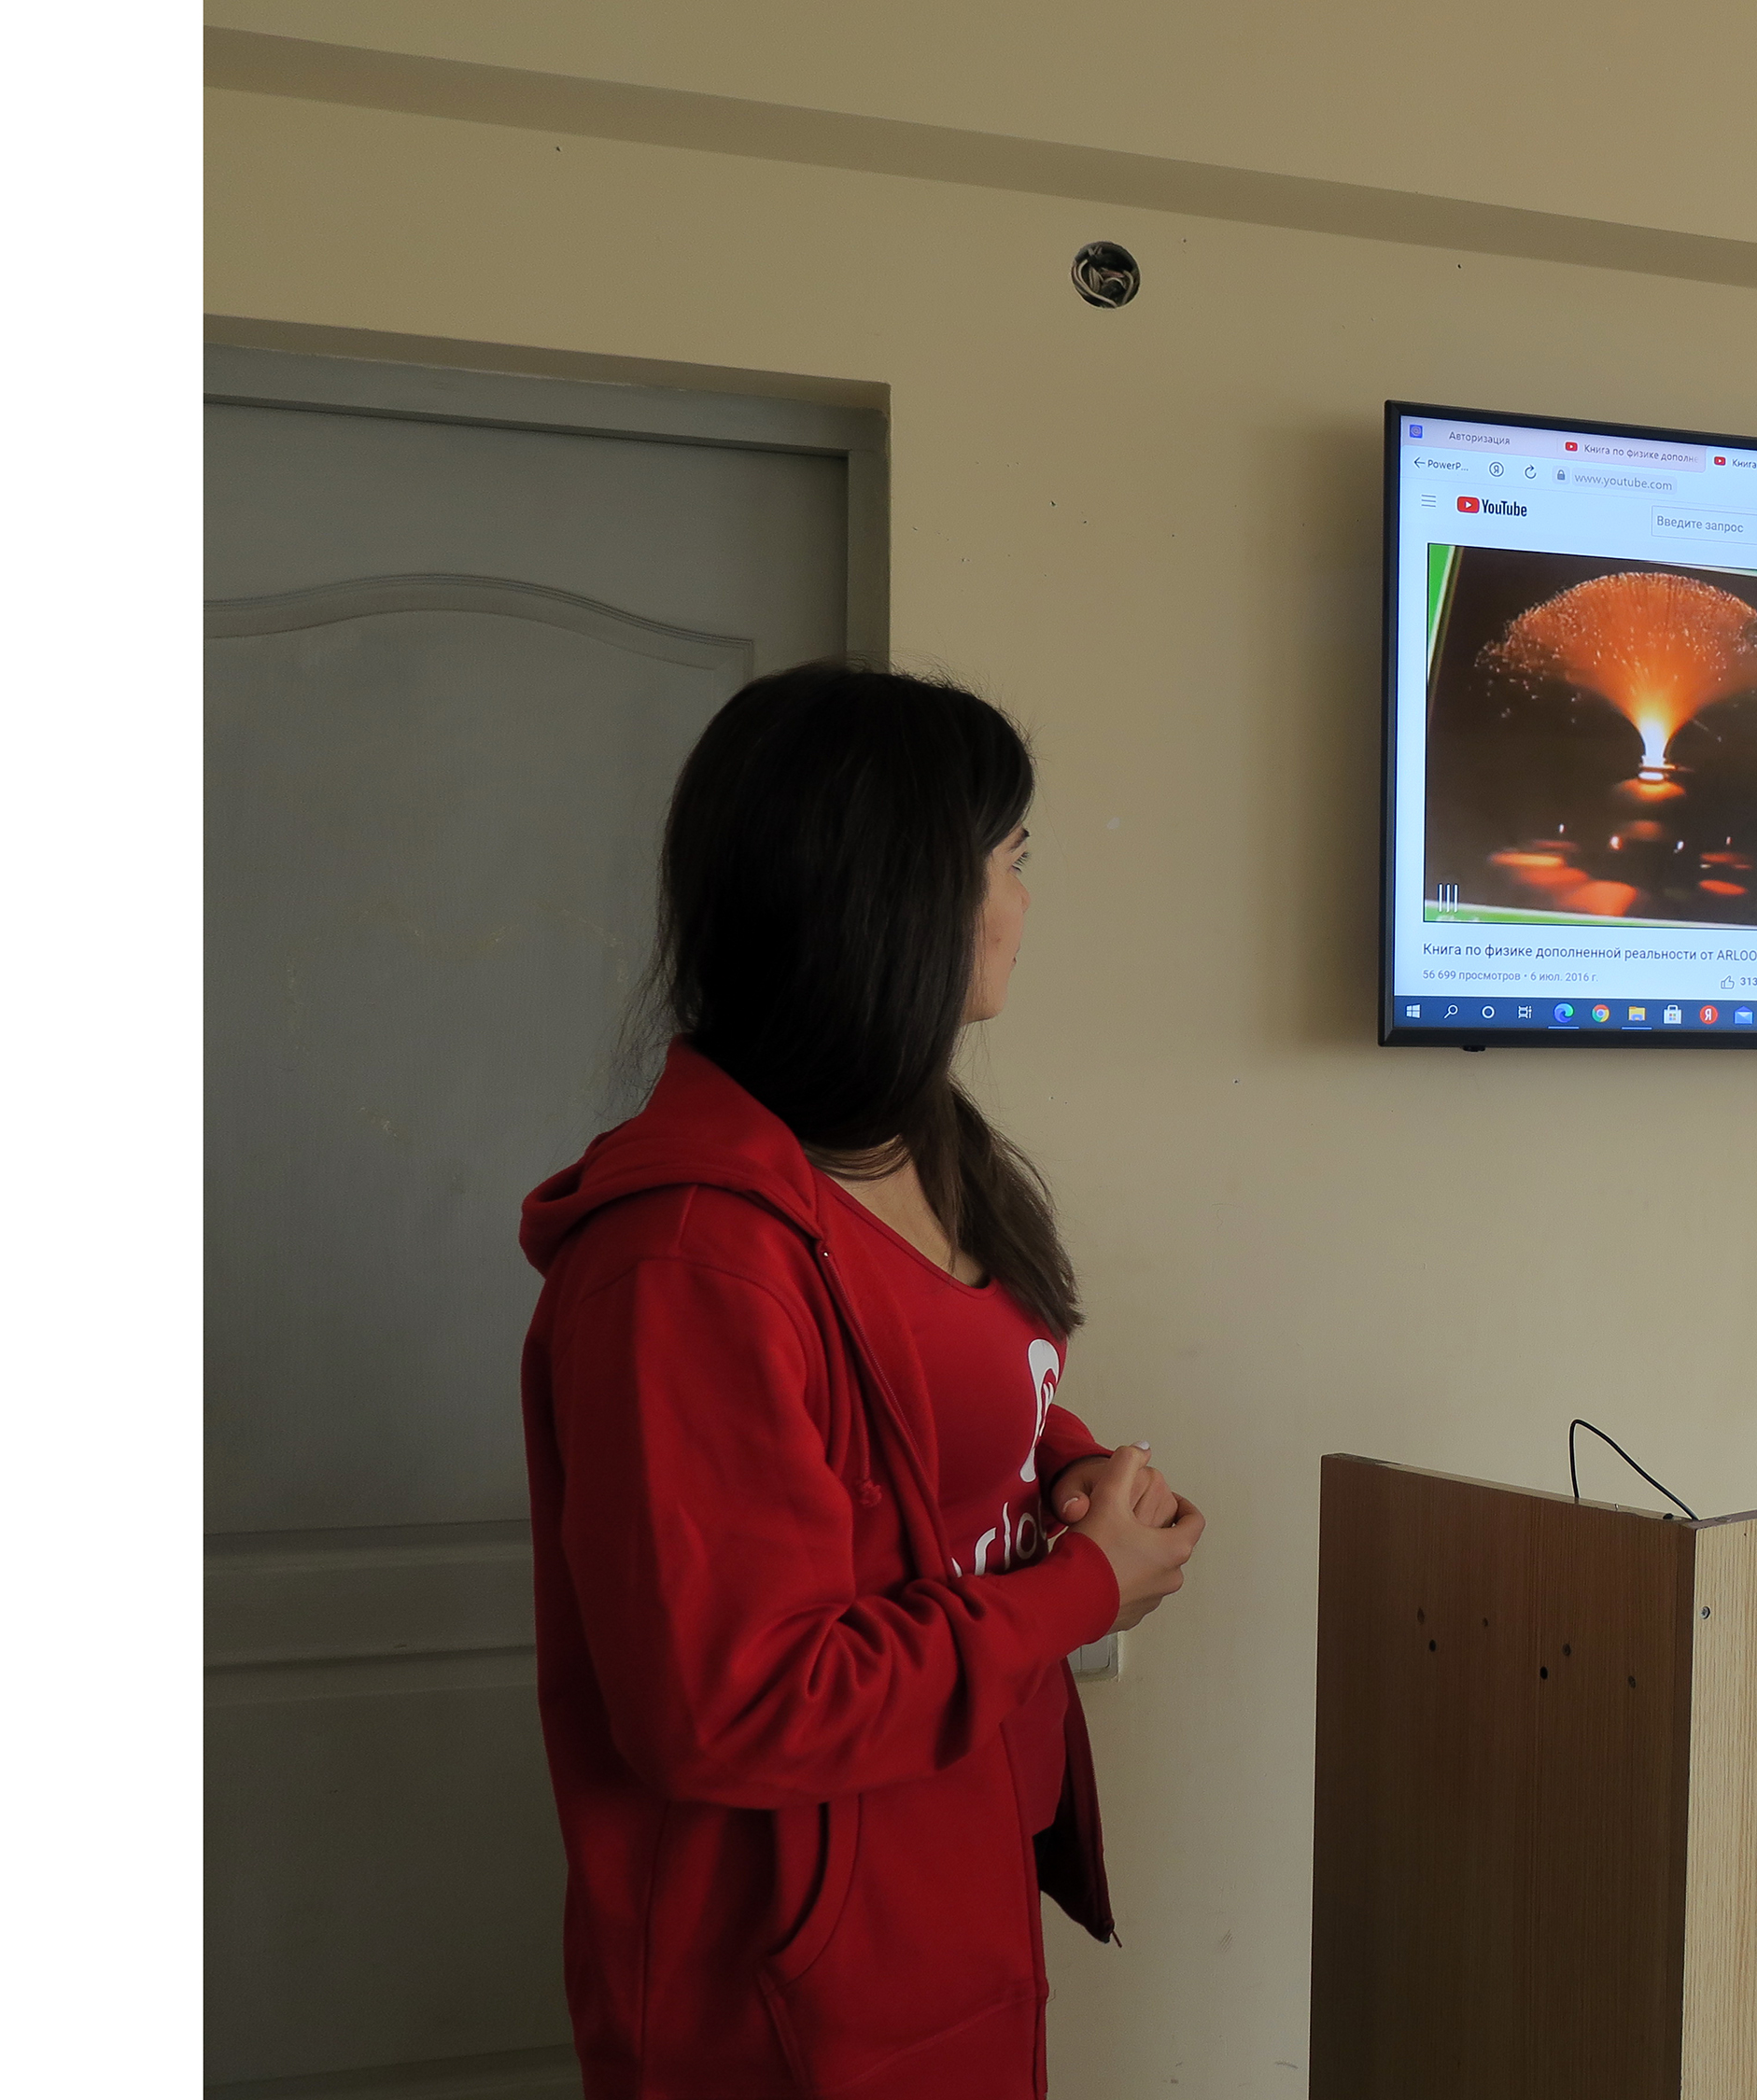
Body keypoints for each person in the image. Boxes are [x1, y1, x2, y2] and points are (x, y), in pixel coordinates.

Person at [515, 665, 1205, 2099]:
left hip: (951, 1888)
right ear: (898, 893)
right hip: (789, 1992)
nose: (1025, 902)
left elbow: (933, 1382)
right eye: (1010, 859)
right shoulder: (686, 1262)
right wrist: (1081, 1591)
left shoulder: (918, 1142)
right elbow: (732, 1704)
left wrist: (1060, 1463)